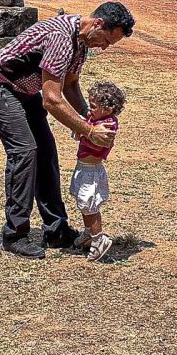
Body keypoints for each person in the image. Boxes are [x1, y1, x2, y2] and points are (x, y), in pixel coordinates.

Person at [0, 0, 135, 260]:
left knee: (46, 152)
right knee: (25, 152)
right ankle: (14, 234)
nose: (104, 47)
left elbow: (71, 85)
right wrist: (88, 131)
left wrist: (87, 117)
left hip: (24, 91)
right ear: (98, 24)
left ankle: (56, 230)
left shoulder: (81, 43)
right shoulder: (62, 37)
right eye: (106, 40)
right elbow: (51, 99)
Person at [69, 79, 126, 262]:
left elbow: (97, 141)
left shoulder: (108, 125)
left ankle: (98, 238)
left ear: (108, 109)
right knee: (83, 203)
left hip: (91, 170)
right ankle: (88, 234)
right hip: (83, 167)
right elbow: (83, 131)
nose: (89, 109)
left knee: (89, 205)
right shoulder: (94, 120)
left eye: (94, 105)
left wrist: (85, 132)